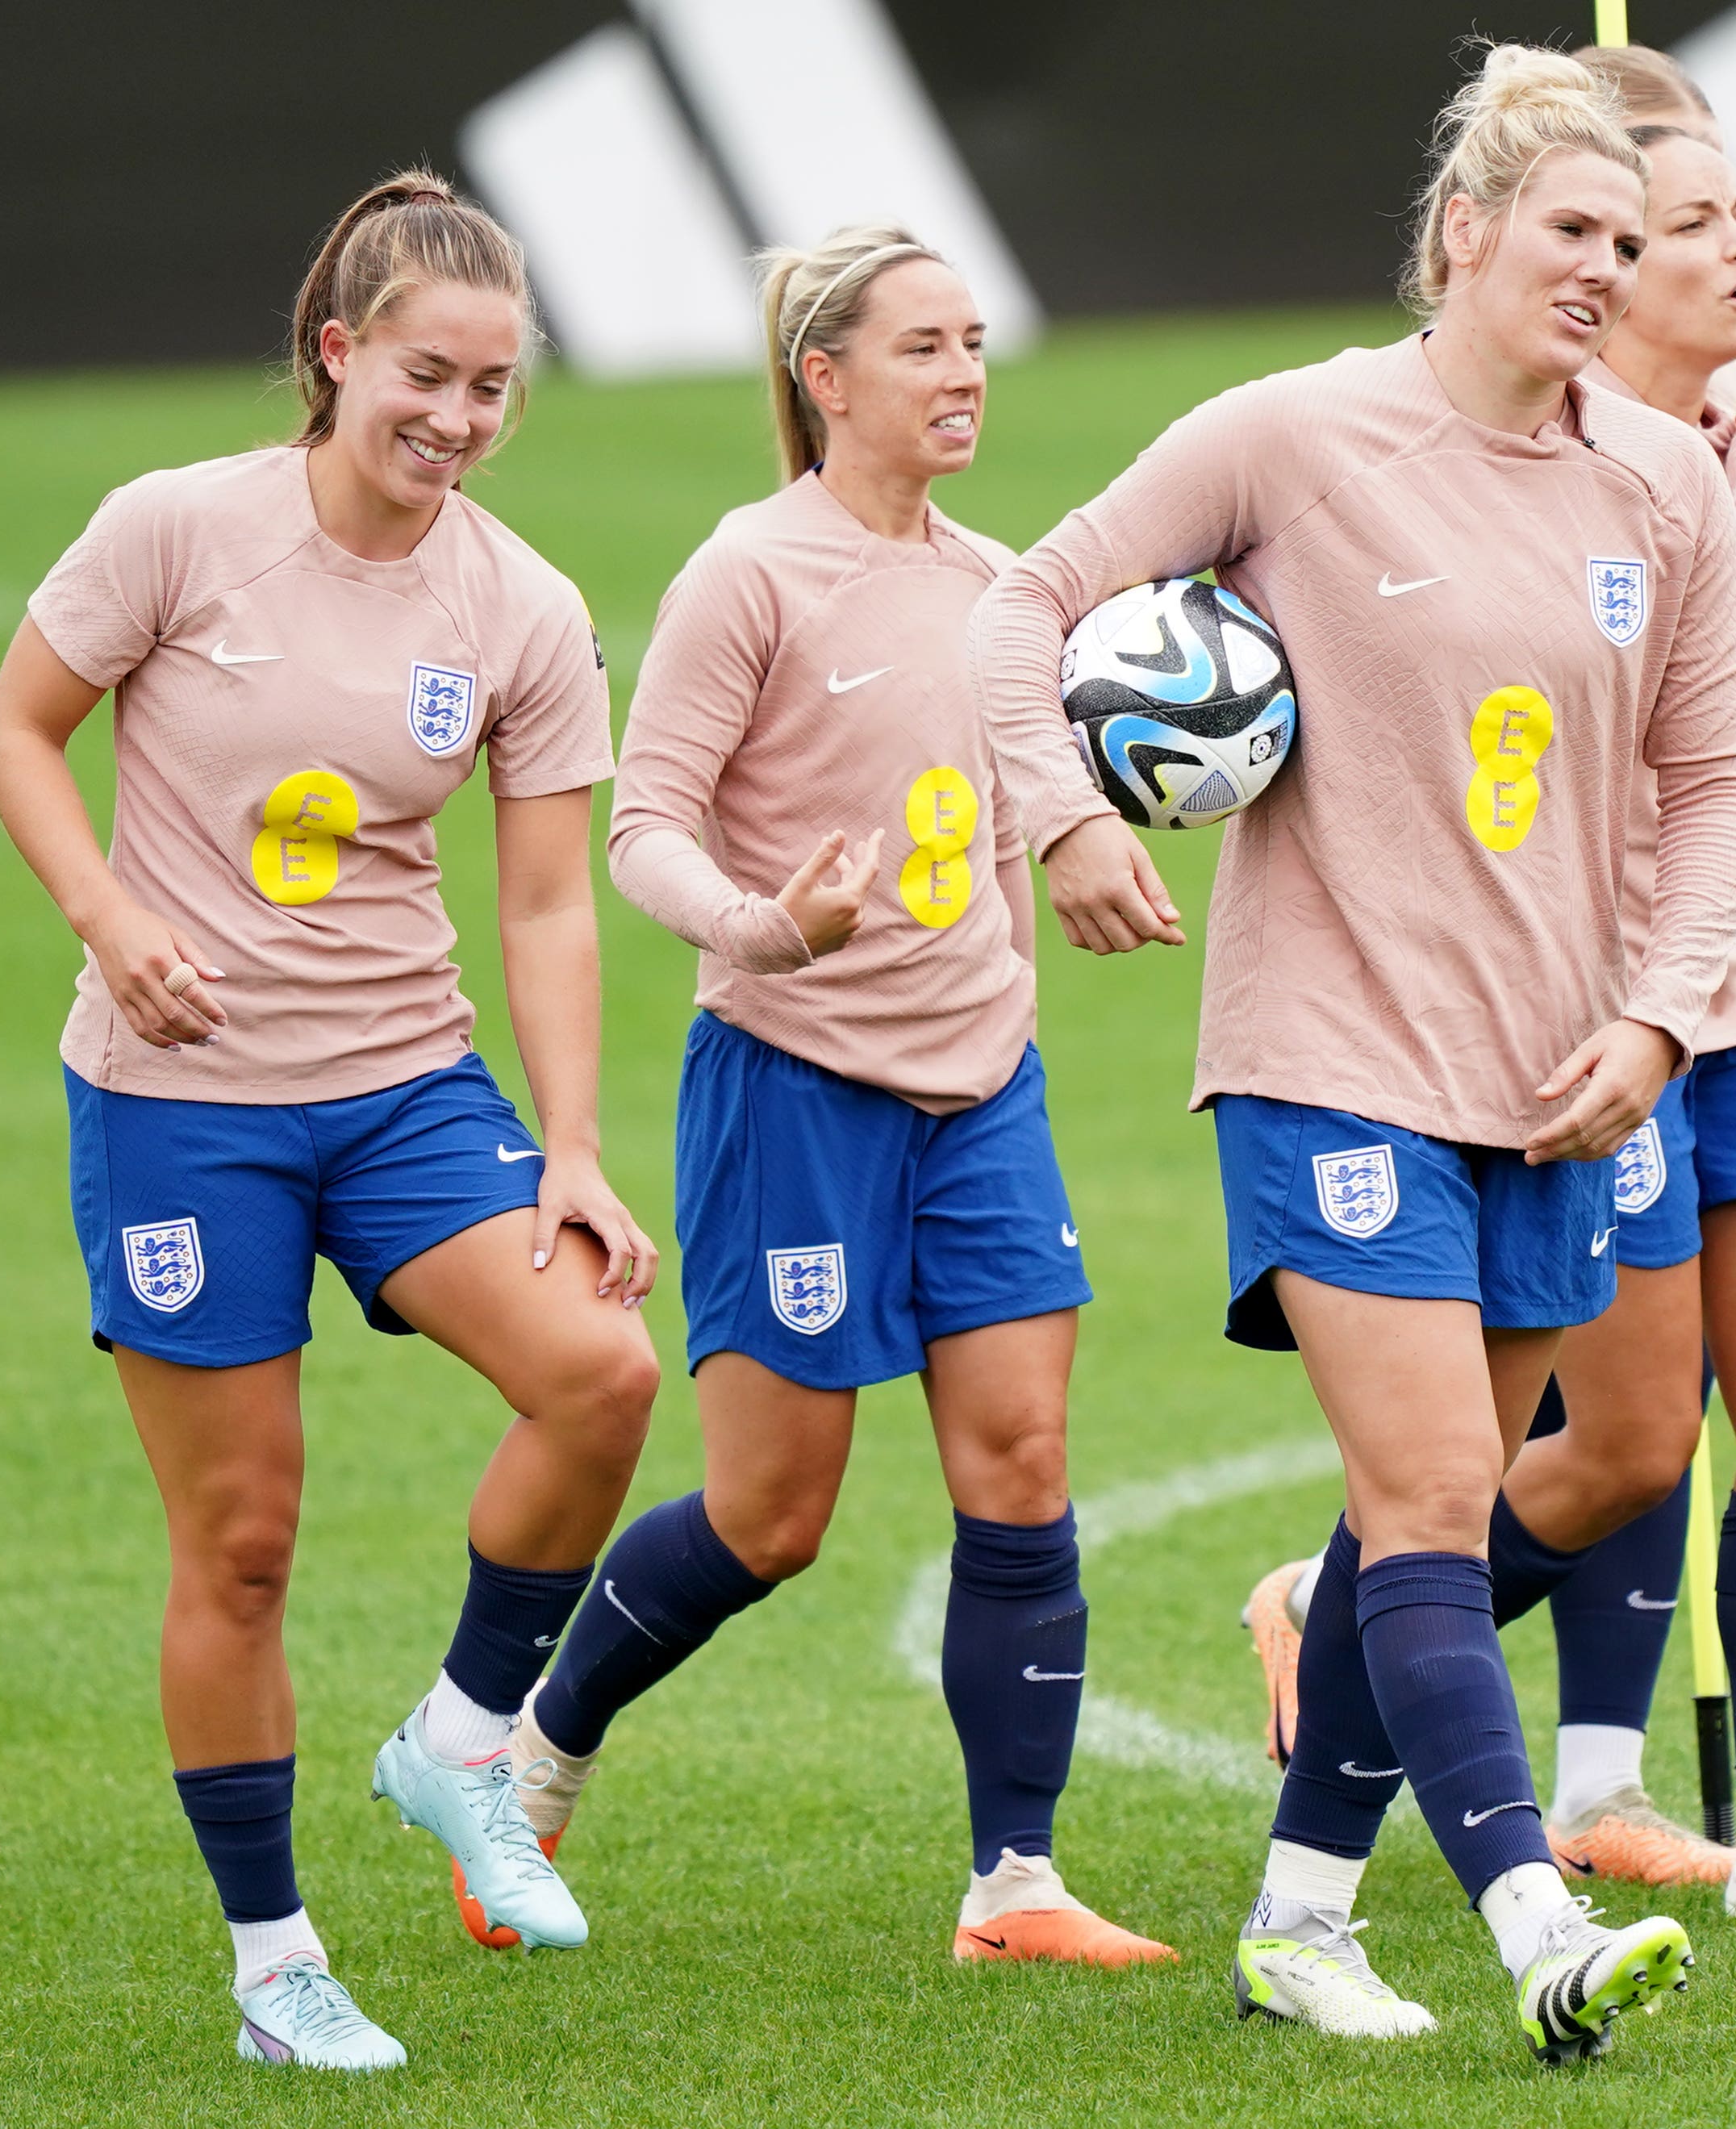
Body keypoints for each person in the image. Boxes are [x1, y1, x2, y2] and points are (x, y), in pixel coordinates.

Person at [970, 45, 1736, 2062]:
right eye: (1571, 232)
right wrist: (1063, 819)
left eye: (1632, 236)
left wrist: (1661, 1021)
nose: (1607, 267)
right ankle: (1527, 1929)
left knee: (1435, 1501)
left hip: (1558, 1079)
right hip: (1330, 1052)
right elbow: (1026, 609)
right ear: (1463, 234)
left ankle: (1300, 1919)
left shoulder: (1657, 483)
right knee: (1427, 1495)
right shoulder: (1293, 434)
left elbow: (1714, 783)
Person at [0, 172, 663, 2071]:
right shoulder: (179, 530)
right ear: (338, 354)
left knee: (601, 1373)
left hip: (404, 1091)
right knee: (247, 1546)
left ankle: (458, 1744)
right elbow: (15, 732)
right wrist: (111, 924)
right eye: (425, 379)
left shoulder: (519, 602)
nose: (455, 423)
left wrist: (577, 1145)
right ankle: (276, 1962)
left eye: (495, 390)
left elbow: (542, 904)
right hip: (181, 1107)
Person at [1250, 46, 1736, 1919]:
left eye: (1735, 218)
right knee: (1624, 1443)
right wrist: (1724, 498)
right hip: (1582, 988)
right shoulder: (1579, 466)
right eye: (1684, 222)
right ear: (1587, 253)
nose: (1732, 252)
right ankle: (1351, 1616)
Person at [503, 224, 1171, 1970]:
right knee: (772, 1515)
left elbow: (1030, 786)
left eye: (975, 346)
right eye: (925, 348)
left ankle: (1013, 1886)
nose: (964, 377)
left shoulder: (1003, 584)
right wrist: (765, 929)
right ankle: (536, 1747)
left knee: (1023, 1461)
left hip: (982, 1089)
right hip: (793, 1086)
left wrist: (1085, 870)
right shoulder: (751, 575)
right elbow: (639, 826)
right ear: (826, 377)